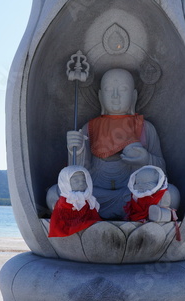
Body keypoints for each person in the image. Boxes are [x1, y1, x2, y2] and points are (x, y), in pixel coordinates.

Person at [66, 68, 170, 219]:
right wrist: (76, 151)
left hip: (132, 194)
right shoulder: (89, 128)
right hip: (96, 195)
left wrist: (147, 159)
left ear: (133, 96)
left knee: (170, 192)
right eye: (109, 90)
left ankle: (152, 210)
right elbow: (78, 174)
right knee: (55, 193)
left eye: (123, 89)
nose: (115, 96)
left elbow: (162, 172)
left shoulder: (145, 128)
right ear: (100, 96)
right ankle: (155, 213)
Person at [48, 166, 101, 237]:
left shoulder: (88, 199)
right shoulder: (64, 202)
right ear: (65, 182)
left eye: (84, 180)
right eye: (76, 180)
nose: (81, 183)